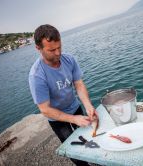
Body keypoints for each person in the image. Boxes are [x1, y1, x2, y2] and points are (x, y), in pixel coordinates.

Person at [28, 24, 97, 166]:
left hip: (74, 107)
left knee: (89, 139)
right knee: (75, 151)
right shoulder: (37, 75)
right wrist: (73, 119)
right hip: (57, 119)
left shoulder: (69, 59)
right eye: (52, 50)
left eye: (59, 47)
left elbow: (78, 84)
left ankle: (97, 160)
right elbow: (45, 109)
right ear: (38, 49)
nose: (58, 53)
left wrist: (88, 105)